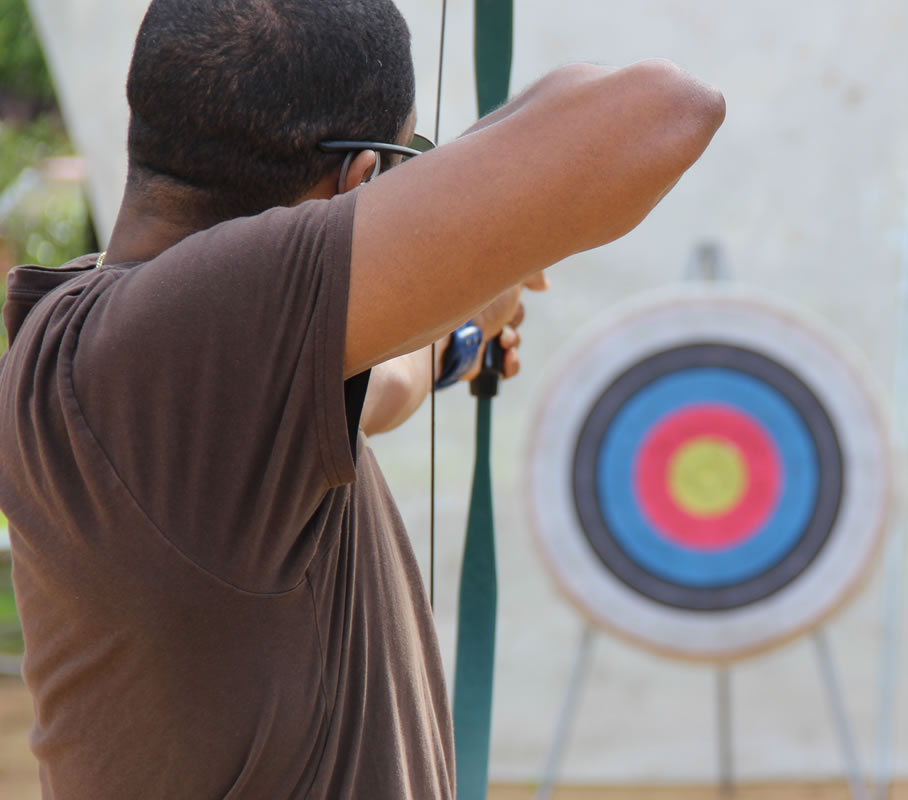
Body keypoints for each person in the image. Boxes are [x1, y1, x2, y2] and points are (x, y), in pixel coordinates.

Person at [0, 0, 724, 796]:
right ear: (356, 183)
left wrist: (457, 328)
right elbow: (663, 110)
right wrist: (465, 240)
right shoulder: (187, 332)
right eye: (397, 165)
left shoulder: (111, 347)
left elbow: (387, 385)